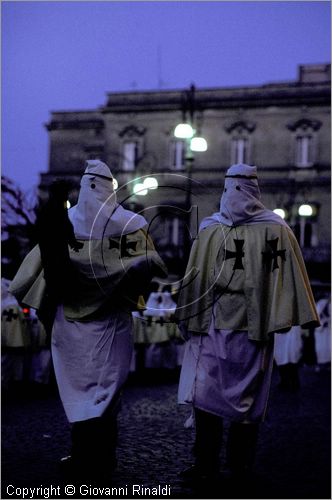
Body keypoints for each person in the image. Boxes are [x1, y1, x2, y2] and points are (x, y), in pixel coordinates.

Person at [9, 159, 167, 481]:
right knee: (98, 392)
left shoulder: (67, 224)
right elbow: (146, 271)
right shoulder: (131, 225)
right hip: (101, 323)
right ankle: (94, 455)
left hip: (80, 323)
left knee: (88, 392)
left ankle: (90, 456)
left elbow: (38, 277)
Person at [175, 163, 320, 485]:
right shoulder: (218, 229)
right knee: (206, 395)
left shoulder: (274, 229)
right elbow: (195, 276)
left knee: (242, 397)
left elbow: (286, 278)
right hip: (215, 325)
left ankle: (234, 464)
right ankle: (208, 462)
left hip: (250, 328)